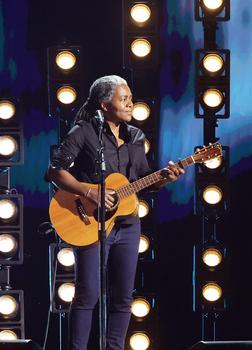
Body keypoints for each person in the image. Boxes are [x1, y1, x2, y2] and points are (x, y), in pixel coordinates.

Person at [47, 75, 184, 350]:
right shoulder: (84, 132)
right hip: (89, 220)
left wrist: (166, 178)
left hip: (128, 225)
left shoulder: (136, 137)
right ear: (104, 104)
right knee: (88, 294)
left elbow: (143, 179)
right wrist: (90, 191)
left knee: (123, 297)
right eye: (124, 99)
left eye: (131, 98)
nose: (130, 104)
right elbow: (53, 171)